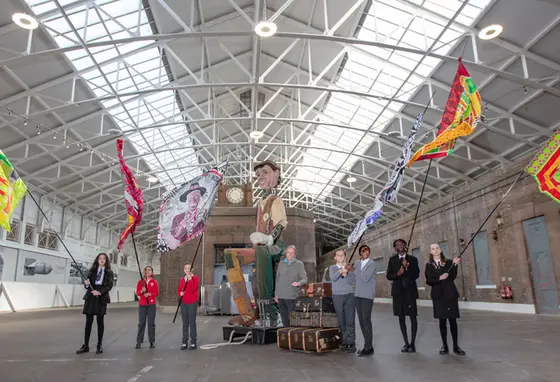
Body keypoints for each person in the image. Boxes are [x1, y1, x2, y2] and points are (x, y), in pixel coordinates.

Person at [223, 160, 287, 327]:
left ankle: (270, 314)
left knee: (262, 253)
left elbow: (281, 223)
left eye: (265, 173)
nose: (260, 177)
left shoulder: (276, 200)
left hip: (275, 246)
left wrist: (268, 238)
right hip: (261, 248)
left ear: (276, 174)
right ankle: (247, 314)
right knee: (230, 255)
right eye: (258, 175)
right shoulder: (261, 202)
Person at [424, 243, 465, 356]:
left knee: (453, 321)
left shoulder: (449, 262)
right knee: (442, 321)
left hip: (450, 295)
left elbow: (452, 276)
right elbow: (429, 280)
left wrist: (455, 265)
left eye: (437, 248)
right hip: (438, 296)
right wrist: (439, 278)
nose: (436, 250)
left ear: (440, 250)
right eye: (433, 249)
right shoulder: (429, 265)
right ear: (431, 252)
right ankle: (444, 346)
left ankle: (456, 346)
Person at [386, 238, 420, 353]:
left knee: (412, 317)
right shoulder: (392, 260)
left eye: (401, 244)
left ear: (405, 246)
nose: (399, 246)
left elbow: (416, 274)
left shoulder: (413, 259)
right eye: (397, 245)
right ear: (395, 248)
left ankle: (412, 343)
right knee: (401, 317)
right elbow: (389, 275)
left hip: (410, 291)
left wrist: (407, 268)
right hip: (398, 292)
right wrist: (397, 273)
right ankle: (406, 343)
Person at [76, 253, 114, 355]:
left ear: (106, 261)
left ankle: (99, 345)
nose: (101, 260)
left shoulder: (109, 272)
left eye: (104, 259)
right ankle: (86, 345)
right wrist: (87, 285)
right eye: (100, 258)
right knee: (88, 322)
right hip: (91, 297)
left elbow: (109, 286)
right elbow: (87, 285)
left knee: (100, 322)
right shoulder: (92, 271)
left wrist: (100, 292)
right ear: (97, 260)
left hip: (101, 298)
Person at [347, 244, 376, 356]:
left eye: (367, 250)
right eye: (363, 251)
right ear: (360, 253)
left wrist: (353, 269)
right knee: (361, 322)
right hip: (357, 295)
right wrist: (348, 271)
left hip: (367, 296)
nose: (365, 252)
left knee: (366, 320)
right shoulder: (357, 263)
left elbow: (365, 278)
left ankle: (369, 347)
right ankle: (366, 345)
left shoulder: (371, 264)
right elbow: (352, 280)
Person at [329, 249, 356, 353]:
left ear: (345, 256)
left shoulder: (350, 268)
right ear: (335, 258)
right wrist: (341, 270)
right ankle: (344, 342)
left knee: (350, 320)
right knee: (341, 320)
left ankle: (351, 342)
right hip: (337, 296)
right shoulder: (332, 268)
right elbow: (333, 278)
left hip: (349, 295)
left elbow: (351, 282)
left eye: (342, 255)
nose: (340, 257)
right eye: (338, 255)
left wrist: (346, 274)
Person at [274, 245, 307, 327]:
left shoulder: (299, 264)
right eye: (289, 253)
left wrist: (298, 283)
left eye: (292, 253)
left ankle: (293, 337)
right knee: (284, 320)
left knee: (292, 321)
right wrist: (276, 294)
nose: (290, 254)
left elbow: (305, 279)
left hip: (292, 297)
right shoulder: (281, 263)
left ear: (295, 254)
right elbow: (277, 279)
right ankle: (286, 337)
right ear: (286, 253)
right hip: (281, 296)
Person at [135, 266, 159, 349]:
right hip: (142, 305)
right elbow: (138, 292)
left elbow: (156, 293)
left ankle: (152, 341)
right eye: (146, 270)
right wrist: (142, 291)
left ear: (152, 272)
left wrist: (149, 294)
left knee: (151, 323)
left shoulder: (154, 282)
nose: (148, 271)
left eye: (149, 270)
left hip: (151, 305)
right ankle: (139, 341)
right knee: (141, 323)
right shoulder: (140, 282)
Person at [178, 263, 200, 350]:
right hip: (184, 303)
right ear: (184, 270)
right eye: (186, 268)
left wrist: (190, 279)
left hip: (192, 303)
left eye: (189, 268)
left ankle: (193, 342)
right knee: (185, 323)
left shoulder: (195, 278)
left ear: (192, 269)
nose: (187, 270)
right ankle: (184, 342)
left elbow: (193, 289)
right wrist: (180, 293)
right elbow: (179, 289)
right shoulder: (182, 280)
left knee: (192, 322)